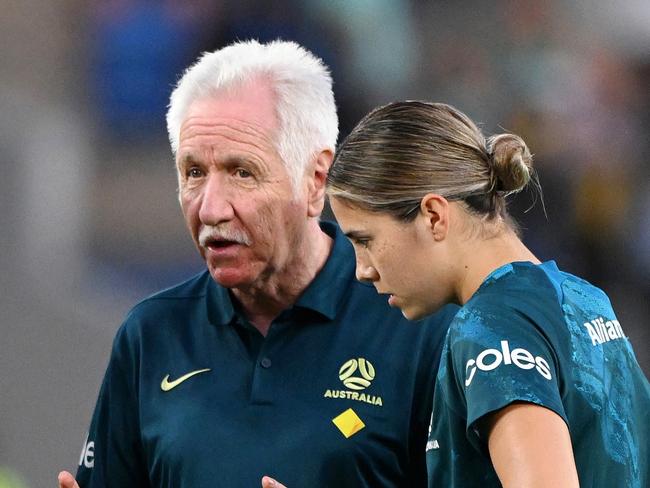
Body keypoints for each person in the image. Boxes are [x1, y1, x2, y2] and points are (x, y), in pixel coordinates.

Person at [57, 42, 457, 488]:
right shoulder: (151, 334)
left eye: (241, 172)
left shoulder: (419, 324)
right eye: (193, 173)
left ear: (315, 179)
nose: (210, 209)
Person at [321, 100, 650, 487]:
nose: (362, 269)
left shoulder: (490, 328)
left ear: (433, 216)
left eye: (366, 240)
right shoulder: (587, 301)